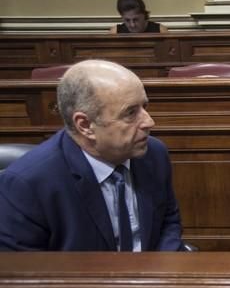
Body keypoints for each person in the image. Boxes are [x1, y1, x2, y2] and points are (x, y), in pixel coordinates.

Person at [0, 60, 184, 251]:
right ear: (85, 125)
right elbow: (23, 270)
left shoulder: (154, 154)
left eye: (145, 107)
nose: (149, 122)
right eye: (130, 113)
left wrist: (163, 270)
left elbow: (168, 222)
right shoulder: (27, 184)